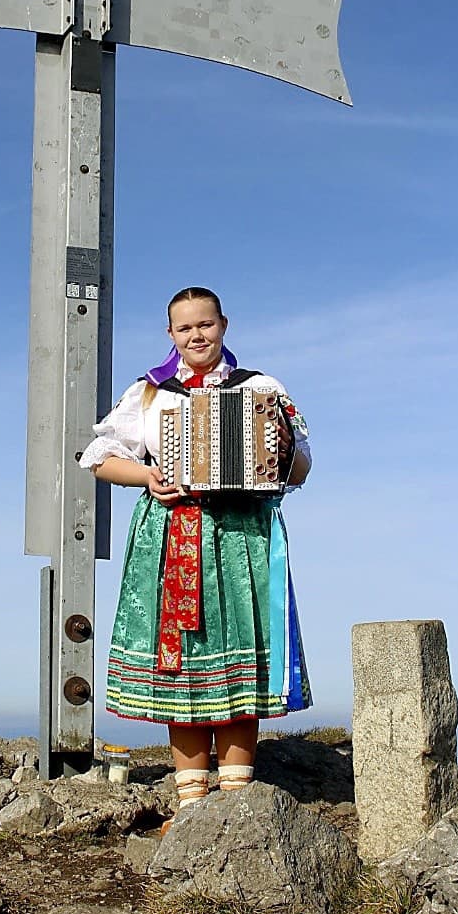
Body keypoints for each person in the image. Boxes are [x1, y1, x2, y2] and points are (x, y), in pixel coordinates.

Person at [79, 286, 312, 826]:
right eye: (185, 329)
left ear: (223, 325)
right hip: (172, 536)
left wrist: (280, 444)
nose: (197, 336)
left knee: (238, 661)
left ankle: (235, 804)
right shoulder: (149, 394)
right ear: (170, 335)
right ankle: (191, 807)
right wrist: (147, 476)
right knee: (178, 666)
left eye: (205, 325)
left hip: (239, 540)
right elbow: (100, 460)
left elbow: (298, 468)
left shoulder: (261, 388)